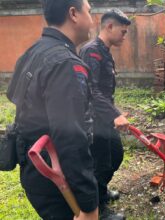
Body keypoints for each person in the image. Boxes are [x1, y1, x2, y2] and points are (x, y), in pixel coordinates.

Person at [6, 0, 99, 219]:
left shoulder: (34, 51)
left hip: (34, 169)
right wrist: (89, 205)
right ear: (73, 14)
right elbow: (70, 137)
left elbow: (13, 96)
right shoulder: (65, 64)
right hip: (57, 178)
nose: (93, 20)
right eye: (90, 12)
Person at [79, 9, 130, 215]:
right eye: (123, 32)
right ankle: (99, 208)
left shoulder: (104, 51)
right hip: (93, 119)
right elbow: (92, 90)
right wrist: (114, 114)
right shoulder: (92, 51)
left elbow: (103, 91)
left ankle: (101, 190)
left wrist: (114, 112)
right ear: (109, 27)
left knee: (115, 156)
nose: (124, 36)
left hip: (104, 118)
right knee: (101, 163)